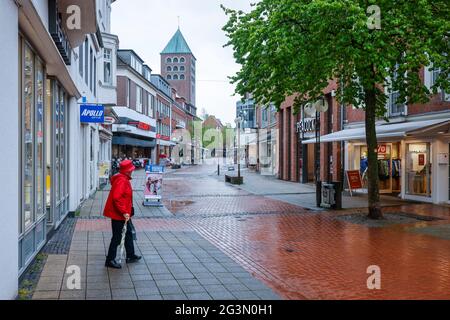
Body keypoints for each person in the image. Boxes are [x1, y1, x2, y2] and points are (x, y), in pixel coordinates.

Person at [103, 159, 142, 269]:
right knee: (117, 237)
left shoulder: (123, 179)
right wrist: (124, 212)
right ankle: (110, 260)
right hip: (119, 214)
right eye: (131, 170)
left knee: (128, 233)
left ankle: (130, 255)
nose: (132, 171)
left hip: (123, 213)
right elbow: (117, 198)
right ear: (127, 171)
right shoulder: (122, 180)